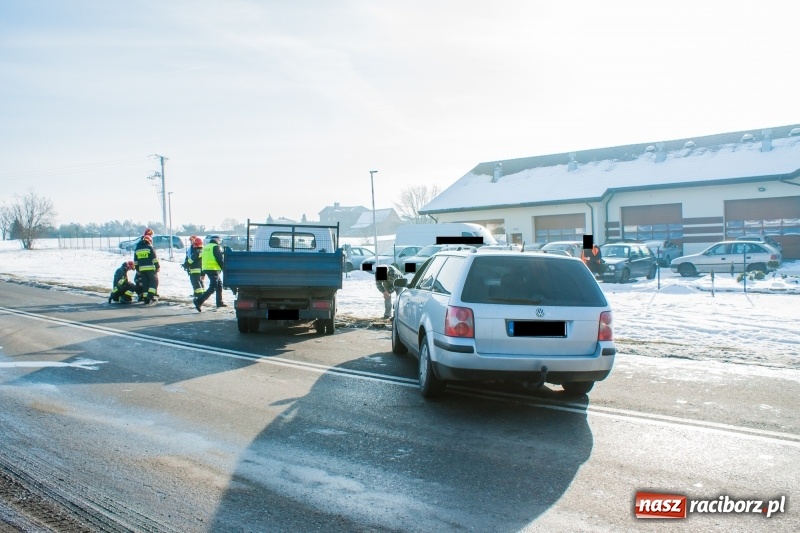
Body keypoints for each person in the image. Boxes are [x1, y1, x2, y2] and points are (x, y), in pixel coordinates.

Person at [194, 235, 226, 312]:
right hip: (213, 269)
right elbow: (219, 259)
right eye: (219, 239)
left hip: (207, 269)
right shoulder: (216, 247)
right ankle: (199, 301)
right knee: (213, 287)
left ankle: (219, 302)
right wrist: (224, 268)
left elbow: (202, 260)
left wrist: (202, 273)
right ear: (217, 239)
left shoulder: (205, 247)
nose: (219, 241)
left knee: (219, 285)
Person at [134, 233, 160, 304]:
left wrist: (137, 269)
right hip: (150, 268)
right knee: (154, 281)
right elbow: (154, 259)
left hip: (142, 269)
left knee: (145, 283)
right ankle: (150, 295)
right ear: (149, 241)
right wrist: (157, 266)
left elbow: (135, 261)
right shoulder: (149, 247)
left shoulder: (137, 249)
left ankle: (146, 299)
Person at [184, 236, 205, 300]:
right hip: (200, 269)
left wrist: (186, 264)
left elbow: (191, 260)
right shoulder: (202, 251)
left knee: (195, 283)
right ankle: (201, 294)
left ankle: (199, 295)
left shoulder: (196, 251)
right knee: (200, 282)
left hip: (194, 270)